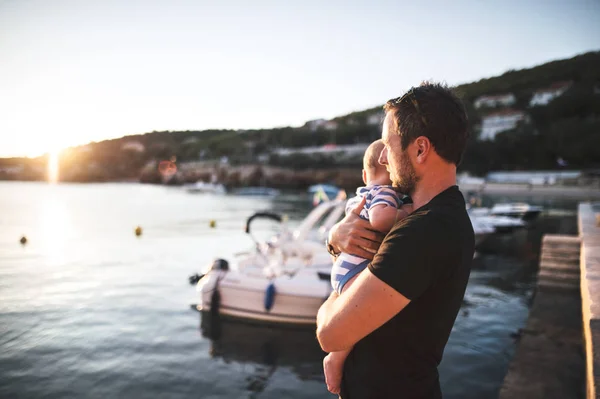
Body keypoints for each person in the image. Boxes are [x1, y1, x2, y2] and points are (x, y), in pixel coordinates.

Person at [316, 82, 475, 399]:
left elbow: (329, 334)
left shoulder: (421, 232)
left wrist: (337, 266)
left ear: (420, 149)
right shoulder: (445, 216)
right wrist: (336, 241)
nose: (384, 157)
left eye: (389, 144)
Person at [325, 139, 413, 394]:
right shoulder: (386, 193)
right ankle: (336, 357)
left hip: (344, 265)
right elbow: (380, 218)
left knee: (347, 312)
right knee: (352, 319)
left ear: (364, 175)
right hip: (356, 269)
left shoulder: (360, 196)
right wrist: (408, 212)